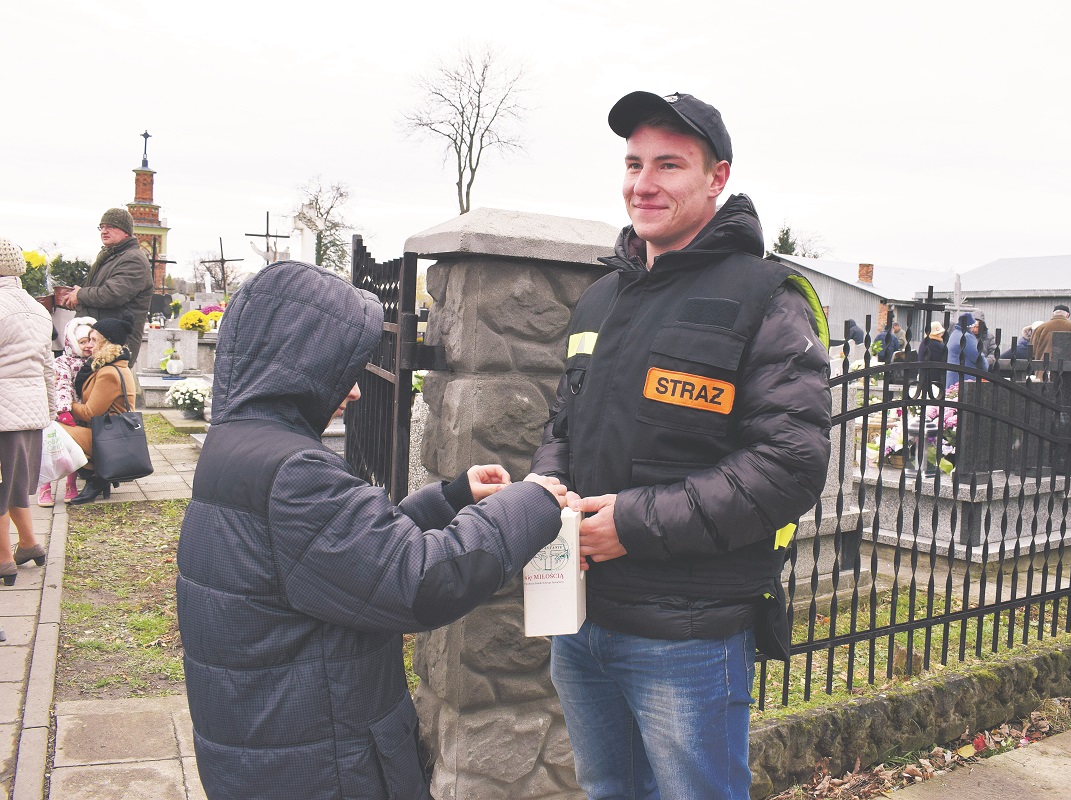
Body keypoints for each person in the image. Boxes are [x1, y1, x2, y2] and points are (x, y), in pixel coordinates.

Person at [529, 90, 832, 799]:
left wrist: (630, 525)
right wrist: (548, 484)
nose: (644, 184)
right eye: (634, 163)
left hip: (686, 635)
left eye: (669, 165)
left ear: (716, 178)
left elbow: (790, 464)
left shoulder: (766, 297)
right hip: (580, 619)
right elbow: (563, 423)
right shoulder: (602, 297)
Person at [176, 260, 568, 800]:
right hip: (322, 765)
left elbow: (336, 561)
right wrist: (533, 501)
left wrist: (449, 499)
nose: (356, 392)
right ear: (301, 361)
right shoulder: (294, 471)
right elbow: (420, 582)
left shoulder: (238, 445)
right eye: (344, 370)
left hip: (265, 741)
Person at [0, 238, 54, 585]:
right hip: (30, 409)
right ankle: (30, 544)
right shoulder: (38, 309)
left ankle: (3, 559)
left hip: (3, 408)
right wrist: (49, 409)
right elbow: (48, 365)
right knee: (14, 485)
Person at [62, 208, 153, 364]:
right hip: (98, 340)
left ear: (126, 231)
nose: (104, 231)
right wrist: (73, 298)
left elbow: (112, 294)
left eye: (111, 226)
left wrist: (80, 295)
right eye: (102, 227)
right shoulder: (110, 256)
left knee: (109, 387)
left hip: (114, 343)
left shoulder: (133, 260)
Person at [63, 316, 138, 504]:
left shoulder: (109, 372)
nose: (89, 345)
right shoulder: (106, 366)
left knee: (53, 431)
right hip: (106, 434)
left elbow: (90, 413)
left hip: (109, 439)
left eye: (94, 340)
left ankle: (95, 475)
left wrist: (67, 404)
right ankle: (98, 477)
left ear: (107, 344)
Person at [36, 316, 95, 506]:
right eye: (82, 342)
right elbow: (62, 385)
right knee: (52, 450)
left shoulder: (93, 362)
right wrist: (63, 409)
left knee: (73, 452)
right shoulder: (63, 362)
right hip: (62, 414)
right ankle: (45, 487)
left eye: (90, 341)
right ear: (72, 342)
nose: (86, 346)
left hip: (81, 413)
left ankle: (71, 485)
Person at [946, 313, 984, 389]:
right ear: (970, 326)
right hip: (965, 378)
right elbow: (978, 357)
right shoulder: (967, 337)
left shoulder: (954, 334)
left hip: (952, 378)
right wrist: (985, 367)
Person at [917, 320, 947, 391]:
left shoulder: (925, 342)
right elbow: (942, 360)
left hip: (924, 376)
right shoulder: (934, 344)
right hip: (933, 379)